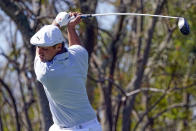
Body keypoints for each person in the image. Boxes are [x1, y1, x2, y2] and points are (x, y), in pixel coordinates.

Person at [30, 12, 102, 131]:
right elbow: (76, 46)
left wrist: (58, 21)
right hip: (89, 125)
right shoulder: (80, 55)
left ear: (58, 47)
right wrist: (71, 28)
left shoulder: (46, 73)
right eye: (38, 47)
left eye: (45, 48)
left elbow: (52, 33)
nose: (40, 52)